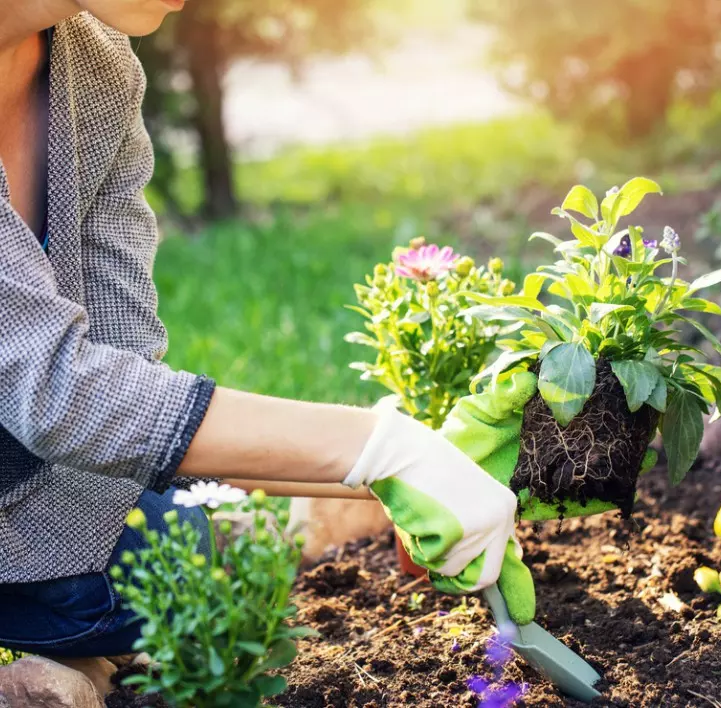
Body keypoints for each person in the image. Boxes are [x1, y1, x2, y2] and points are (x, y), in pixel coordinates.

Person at [0, 0, 533, 660]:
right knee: (155, 583)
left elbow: (120, 364)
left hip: (25, 477)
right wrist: (376, 446)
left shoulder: (98, 68)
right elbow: (60, 394)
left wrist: (406, 465)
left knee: (184, 566)